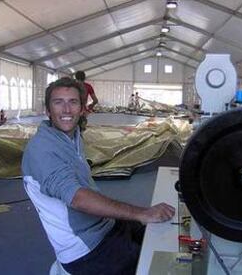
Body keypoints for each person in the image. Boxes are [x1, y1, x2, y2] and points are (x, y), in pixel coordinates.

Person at [22, 77, 175, 274]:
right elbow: (78, 198)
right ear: (47, 110)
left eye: (73, 102)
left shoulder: (71, 137)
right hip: (86, 250)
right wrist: (141, 213)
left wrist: (142, 215)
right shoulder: (43, 150)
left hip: (105, 226)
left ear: (83, 108)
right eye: (58, 102)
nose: (67, 110)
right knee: (160, 267)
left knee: (161, 236)